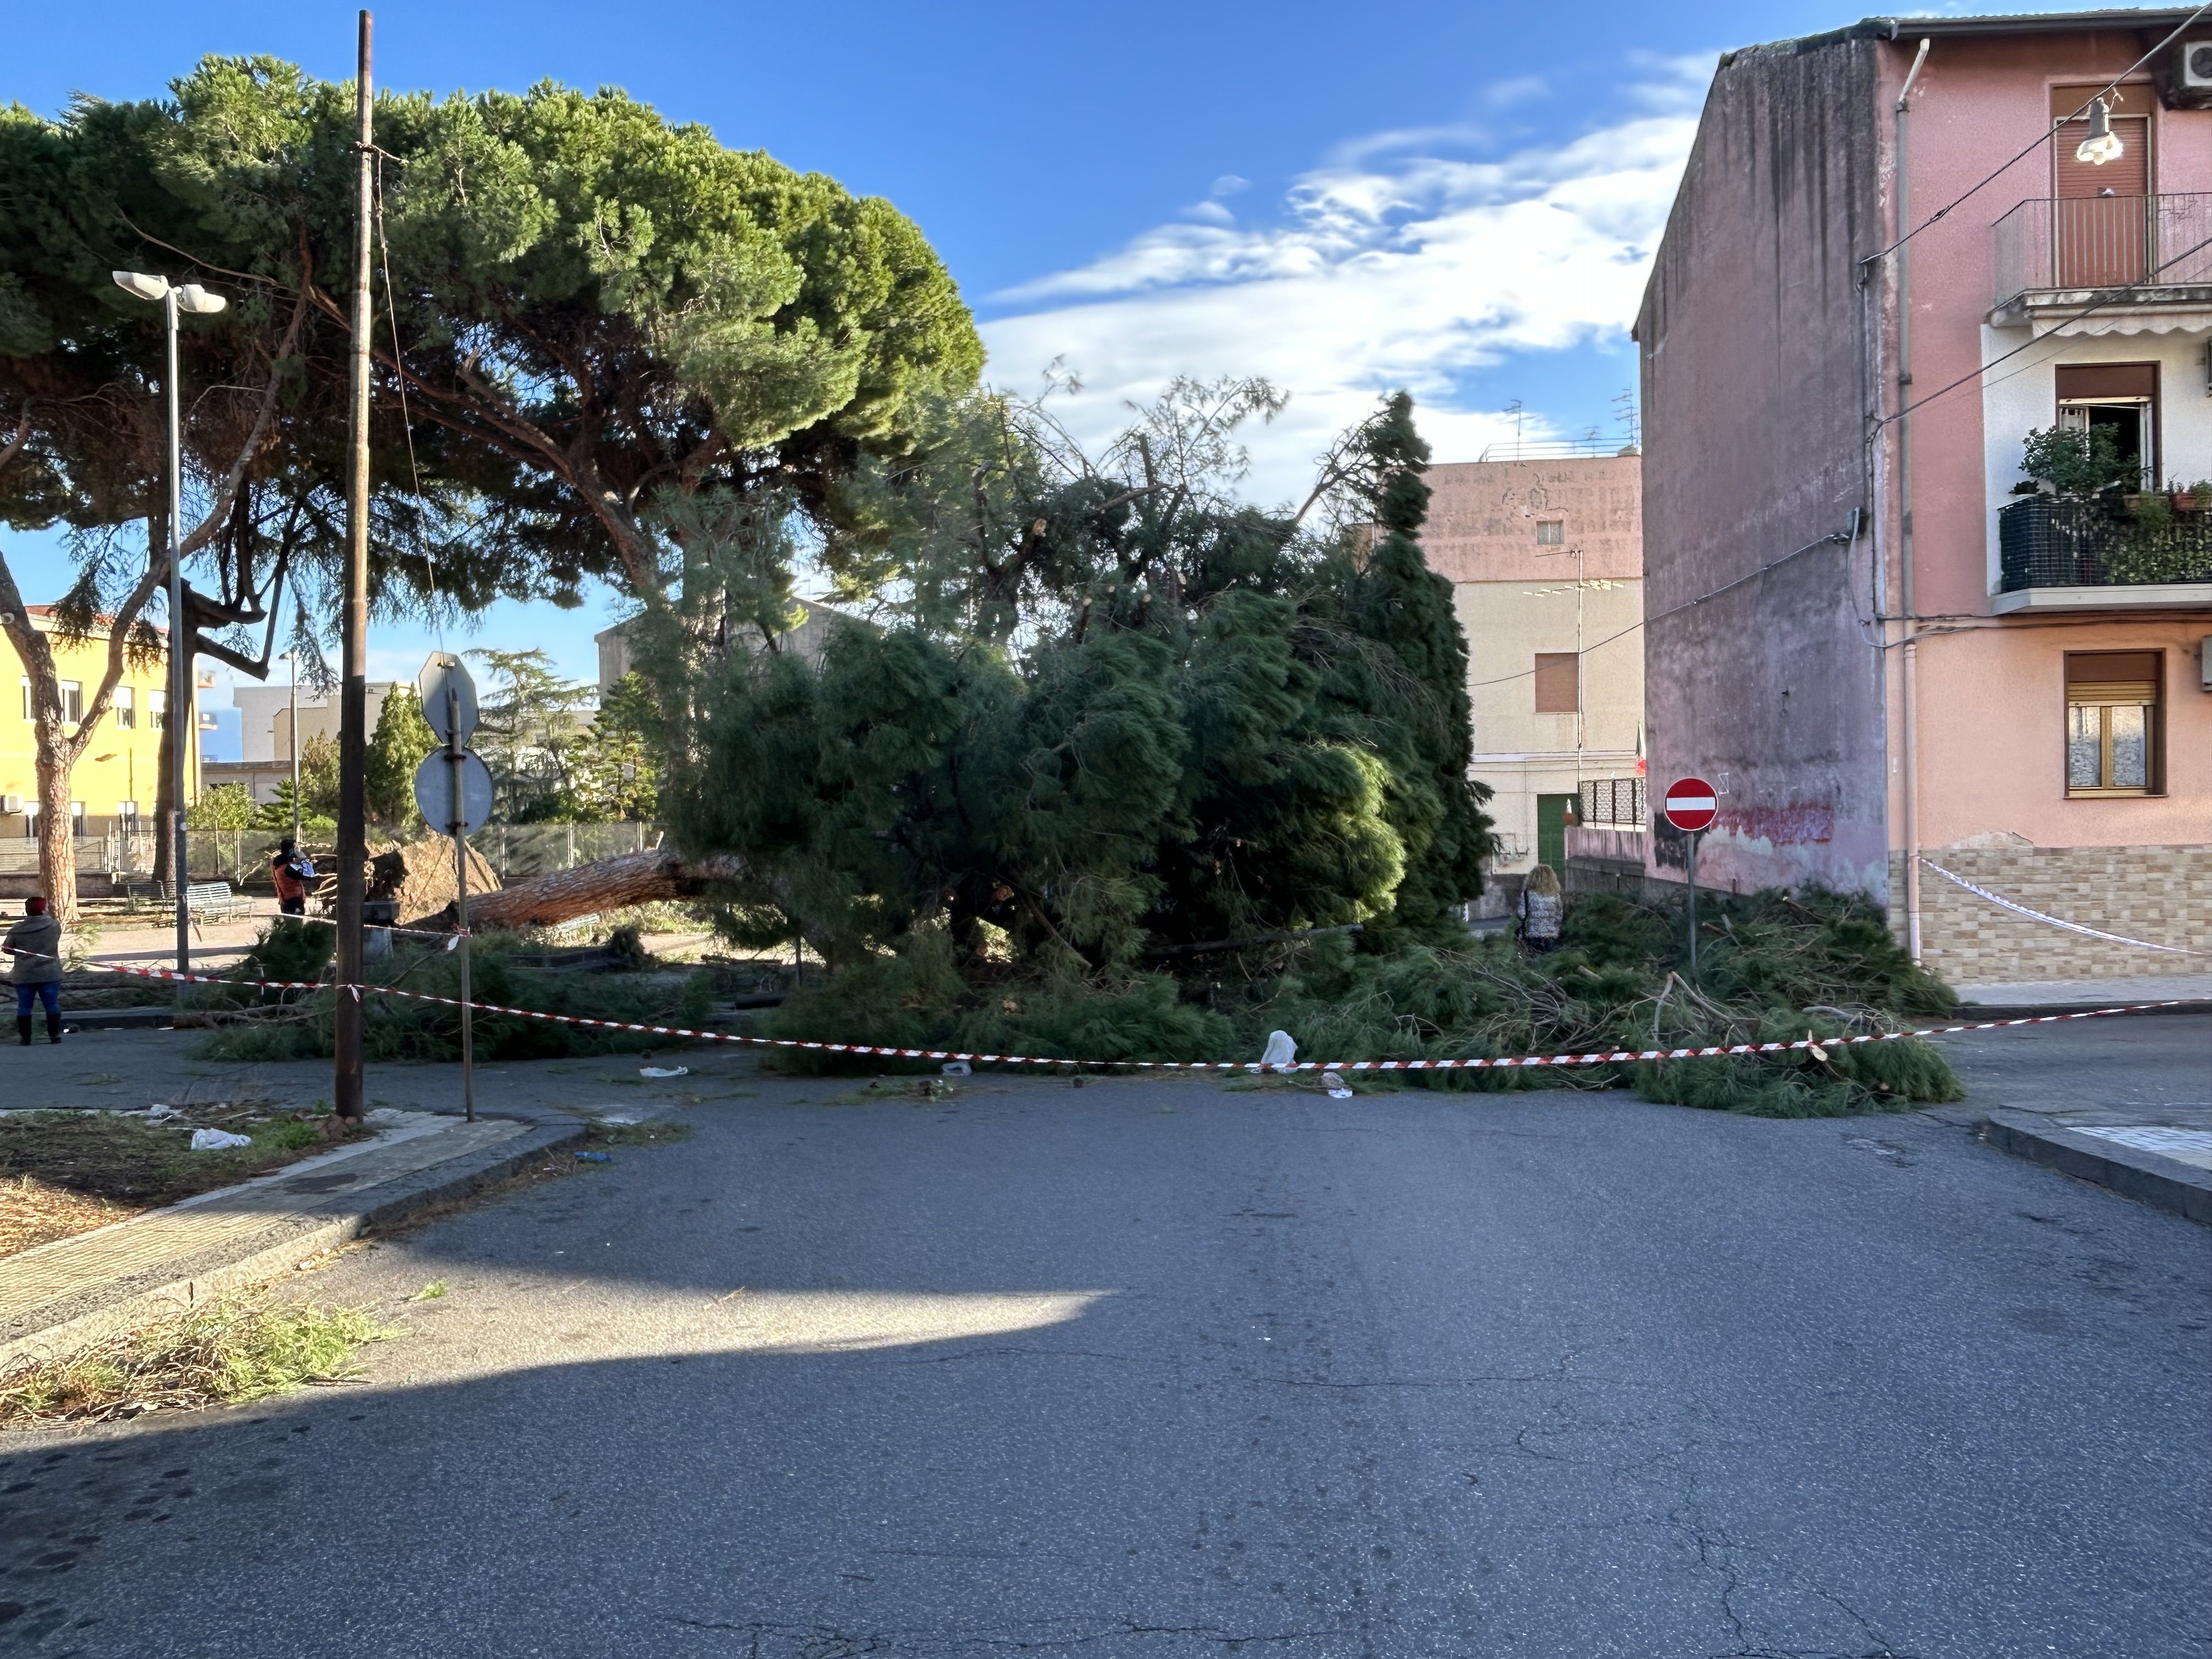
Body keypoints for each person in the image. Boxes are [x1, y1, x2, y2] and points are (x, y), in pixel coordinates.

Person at [5, 895, 64, 1045]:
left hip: (24, 973)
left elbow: (7, 949)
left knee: (24, 1006)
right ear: (44, 909)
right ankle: (55, 1036)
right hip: (49, 972)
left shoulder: (17, 929)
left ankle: (26, 1038)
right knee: (52, 1004)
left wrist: (21, 951)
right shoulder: (54, 926)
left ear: (27, 910)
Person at [1516, 863, 1564, 955]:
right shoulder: (1555, 896)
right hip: (1551, 935)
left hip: (1532, 935)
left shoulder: (1527, 895)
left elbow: (1521, 915)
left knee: (1533, 961)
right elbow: (1559, 917)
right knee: (1549, 961)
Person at [272, 837, 315, 917]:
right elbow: (310, 875)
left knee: (289, 926)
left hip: (285, 901)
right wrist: (304, 859)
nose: (299, 850)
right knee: (297, 926)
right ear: (291, 850)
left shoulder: (277, 864)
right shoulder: (289, 867)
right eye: (297, 848)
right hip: (295, 902)